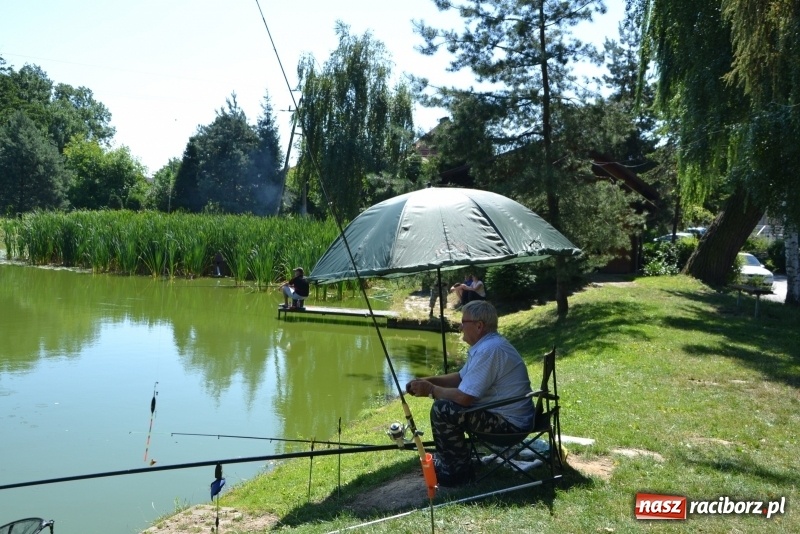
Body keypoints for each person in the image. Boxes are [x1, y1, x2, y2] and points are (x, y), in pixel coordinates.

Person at [405, 300, 534, 486]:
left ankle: (455, 474)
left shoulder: (490, 350)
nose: (460, 326)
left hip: (510, 426)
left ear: (479, 325)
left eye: (463, 322)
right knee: (446, 406)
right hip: (508, 418)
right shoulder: (487, 346)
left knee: (443, 409)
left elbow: (465, 398)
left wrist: (432, 391)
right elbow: (460, 378)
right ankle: (455, 464)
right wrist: (428, 381)